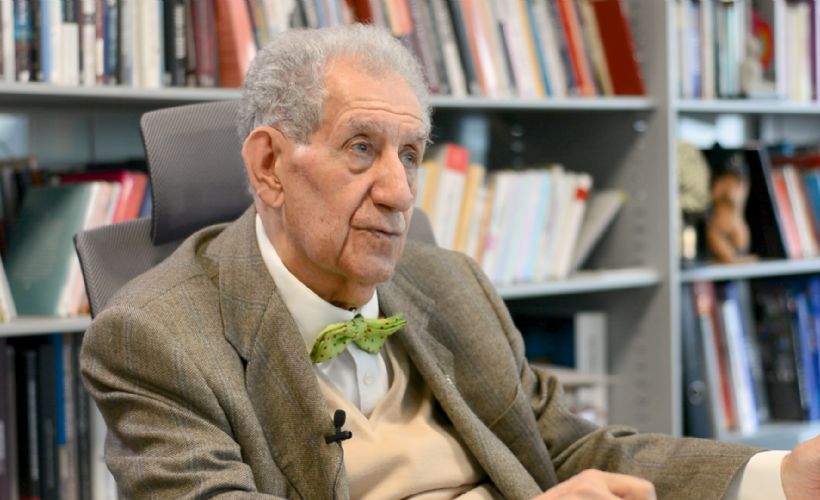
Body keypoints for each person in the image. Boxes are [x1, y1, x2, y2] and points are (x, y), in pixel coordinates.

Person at [81, 24, 820, 499]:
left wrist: (780, 476)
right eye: (362, 148)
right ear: (269, 165)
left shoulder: (451, 283)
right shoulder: (154, 338)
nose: (400, 192)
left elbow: (570, 450)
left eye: (410, 155)